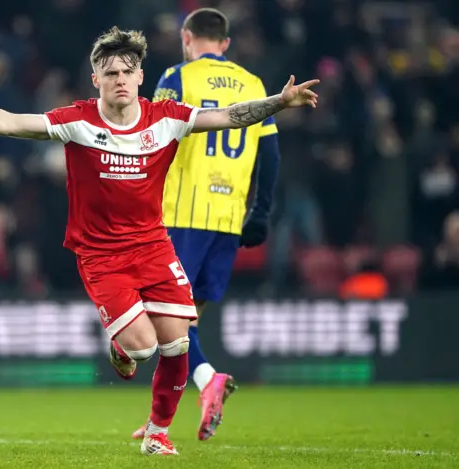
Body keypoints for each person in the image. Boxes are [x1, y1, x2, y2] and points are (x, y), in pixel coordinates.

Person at [0, 26, 318, 456]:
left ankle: (158, 433)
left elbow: (231, 116)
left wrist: (279, 103)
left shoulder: (168, 118)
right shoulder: (78, 121)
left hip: (154, 246)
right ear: (95, 80)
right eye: (110, 73)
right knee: (142, 349)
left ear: (141, 77)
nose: (120, 79)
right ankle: (122, 344)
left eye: (128, 71)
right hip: (101, 255)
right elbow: (11, 123)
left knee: (178, 341)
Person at [132, 8, 283, 441]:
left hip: (182, 214)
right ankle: (162, 417)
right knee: (186, 321)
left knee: (165, 319)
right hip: (229, 218)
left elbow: (151, 134)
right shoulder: (254, 85)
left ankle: (208, 381)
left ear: (186, 37)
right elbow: (270, 154)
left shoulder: (177, 76)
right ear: (227, 43)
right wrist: (261, 211)